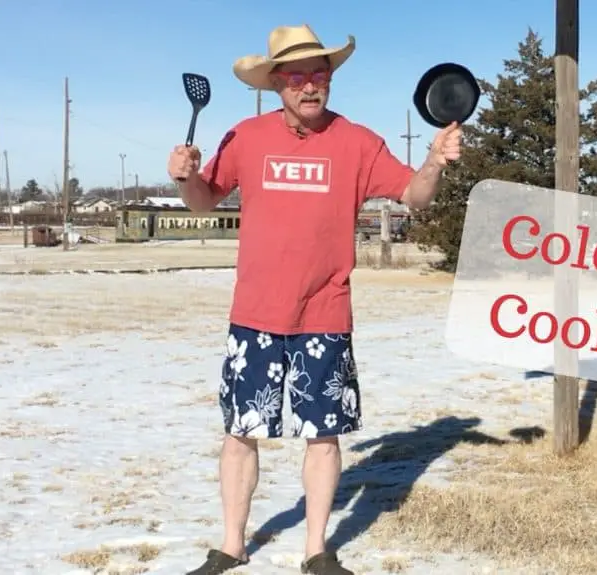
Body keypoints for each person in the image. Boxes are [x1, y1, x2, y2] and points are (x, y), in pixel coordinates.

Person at [166, 24, 462, 575]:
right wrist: (185, 179)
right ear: (276, 83)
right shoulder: (245, 137)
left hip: (324, 314)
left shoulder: (357, 141)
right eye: (297, 76)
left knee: (323, 436)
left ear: (329, 80)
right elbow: (204, 202)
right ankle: (231, 544)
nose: (309, 86)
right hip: (254, 314)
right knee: (240, 433)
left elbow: (415, 197)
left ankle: (316, 550)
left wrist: (434, 161)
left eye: (318, 75)